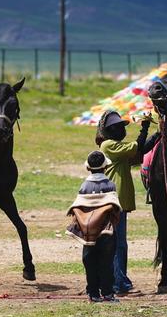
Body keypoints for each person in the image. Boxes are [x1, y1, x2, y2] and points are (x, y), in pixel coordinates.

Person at [95, 110, 158, 295]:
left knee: (119, 243)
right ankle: (117, 284)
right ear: (107, 131)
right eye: (116, 127)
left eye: (121, 127)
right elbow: (138, 146)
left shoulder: (118, 148)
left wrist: (158, 133)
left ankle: (120, 280)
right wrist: (145, 128)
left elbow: (141, 149)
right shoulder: (108, 146)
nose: (120, 130)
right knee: (116, 244)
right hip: (114, 202)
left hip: (119, 202)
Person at [65, 151, 121, 302]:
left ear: (88, 168)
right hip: (106, 232)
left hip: (88, 233)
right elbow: (115, 210)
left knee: (90, 262)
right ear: (105, 168)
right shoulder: (110, 185)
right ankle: (108, 294)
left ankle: (93, 294)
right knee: (107, 263)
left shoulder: (84, 186)